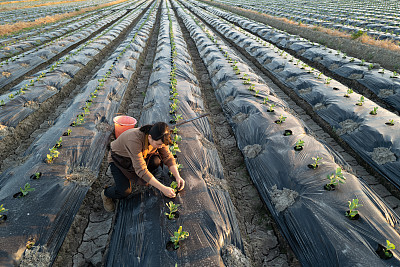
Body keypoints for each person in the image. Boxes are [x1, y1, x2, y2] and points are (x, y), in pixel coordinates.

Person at [101, 122, 185, 212]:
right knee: (124, 191)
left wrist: (177, 176)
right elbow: (141, 169)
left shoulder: (160, 137)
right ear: (149, 137)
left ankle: (140, 178)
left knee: (156, 161)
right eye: (158, 144)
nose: (161, 147)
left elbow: (167, 157)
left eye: (162, 145)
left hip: (136, 158)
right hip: (119, 160)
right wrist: (163, 188)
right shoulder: (134, 140)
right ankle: (106, 194)